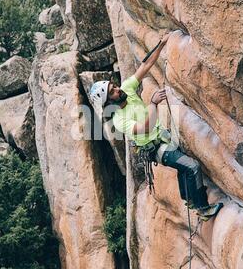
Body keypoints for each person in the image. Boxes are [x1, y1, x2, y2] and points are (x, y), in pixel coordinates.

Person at [89, 33, 223, 220]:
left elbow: (145, 65)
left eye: (114, 86)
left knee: (182, 162)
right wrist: (152, 104)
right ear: (108, 102)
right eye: (113, 92)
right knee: (191, 167)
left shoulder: (127, 88)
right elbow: (143, 128)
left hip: (162, 137)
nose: (117, 89)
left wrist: (162, 44)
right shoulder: (119, 120)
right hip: (155, 148)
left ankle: (188, 198)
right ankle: (203, 209)